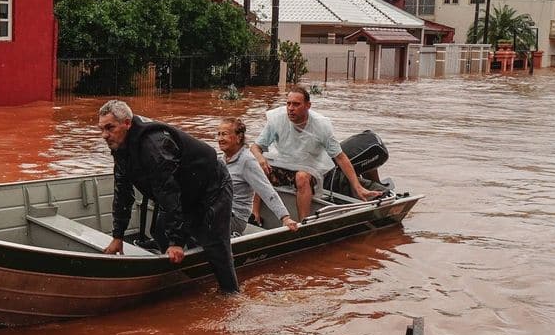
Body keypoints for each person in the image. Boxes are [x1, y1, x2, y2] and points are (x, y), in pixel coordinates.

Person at [97, 100, 239, 293]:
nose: (105, 135)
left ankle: (230, 295)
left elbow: (168, 191)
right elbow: (122, 193)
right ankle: (183, 284)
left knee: (215, 243)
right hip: (185, 191)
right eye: (101, 129)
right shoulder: (120, 147)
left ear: (127, 123)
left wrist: (177, 243)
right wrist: (118, 236)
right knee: (161, 231)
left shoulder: (153, 145)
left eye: (109, 128)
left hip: (212, 187)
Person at [250, 86, 379, 220]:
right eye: (288, 103)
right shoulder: (277, 119)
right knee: (258, 167)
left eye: (296, 104)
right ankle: (255, 215)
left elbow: (340, 157)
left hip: (308, 170)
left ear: (308, 106)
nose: (290, 108)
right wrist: (260, 158)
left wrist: (358, 187)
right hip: (282, 164)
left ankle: (303, 222)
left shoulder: (321, 125)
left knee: (302, 177)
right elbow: (255, 147)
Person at [216, 117, 299, 236]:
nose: (220, 139)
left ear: (239, 137)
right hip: (220, 211)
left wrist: (285, 217)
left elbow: (266, 190)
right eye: (218, 134)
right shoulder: (223, 160)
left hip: (235, 219)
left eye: (224, 134)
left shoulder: (247, 161)